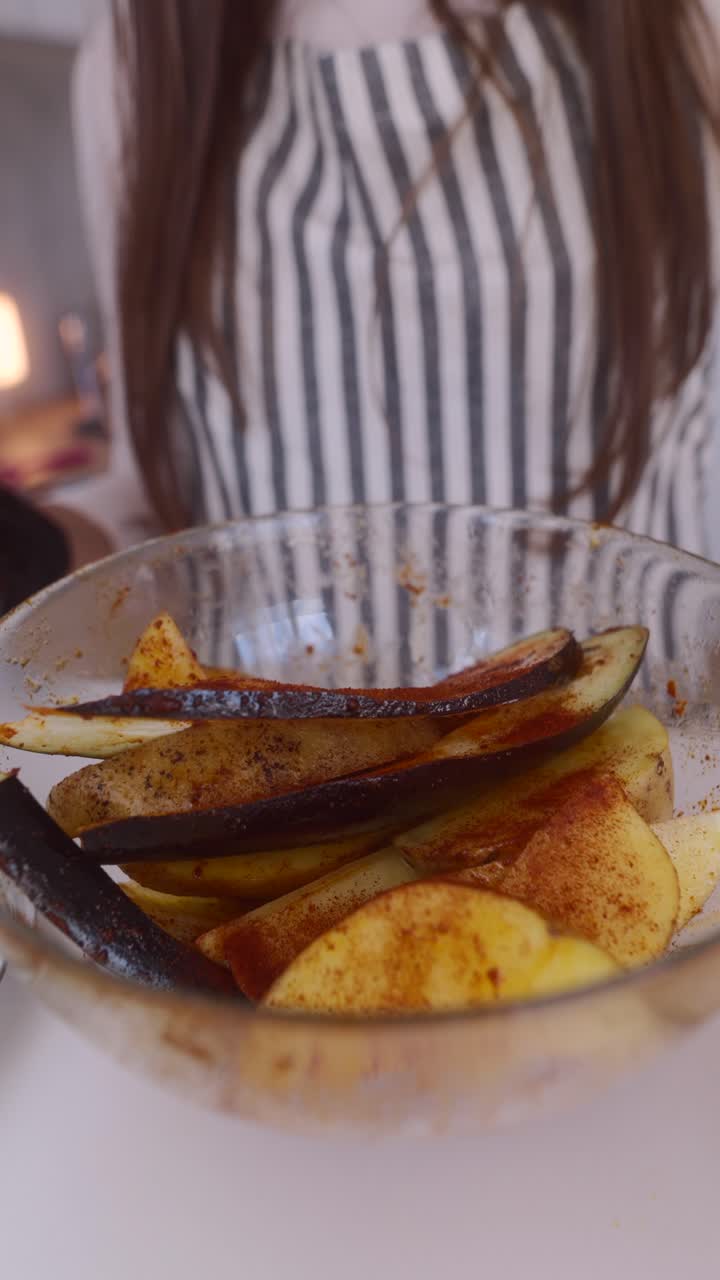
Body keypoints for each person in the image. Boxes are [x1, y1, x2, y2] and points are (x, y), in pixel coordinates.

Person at [71, 0, 720, 561]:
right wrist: (48, 543)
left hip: (666, 695)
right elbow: (155, 501)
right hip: (273, 689)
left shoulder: (692, 29)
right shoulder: (138, 73)